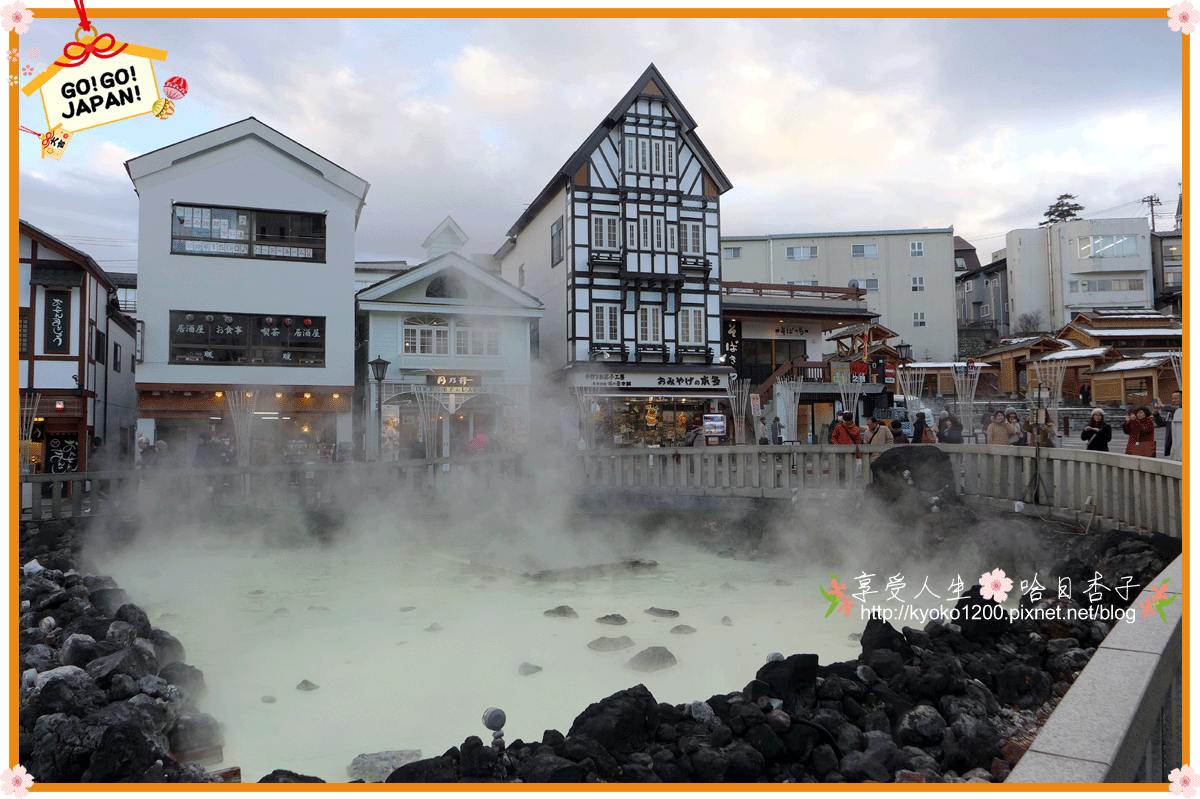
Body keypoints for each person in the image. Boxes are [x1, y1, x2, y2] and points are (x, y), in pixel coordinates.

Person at [1153, 391, 1181, 458]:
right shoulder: (1170, 413)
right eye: (1172, 398)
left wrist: (1162, 406)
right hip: (1172, 443)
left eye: (1176, 398)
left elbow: (1177, 409)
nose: (1173, 400)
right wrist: (1156, 412)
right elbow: (1161, 423)